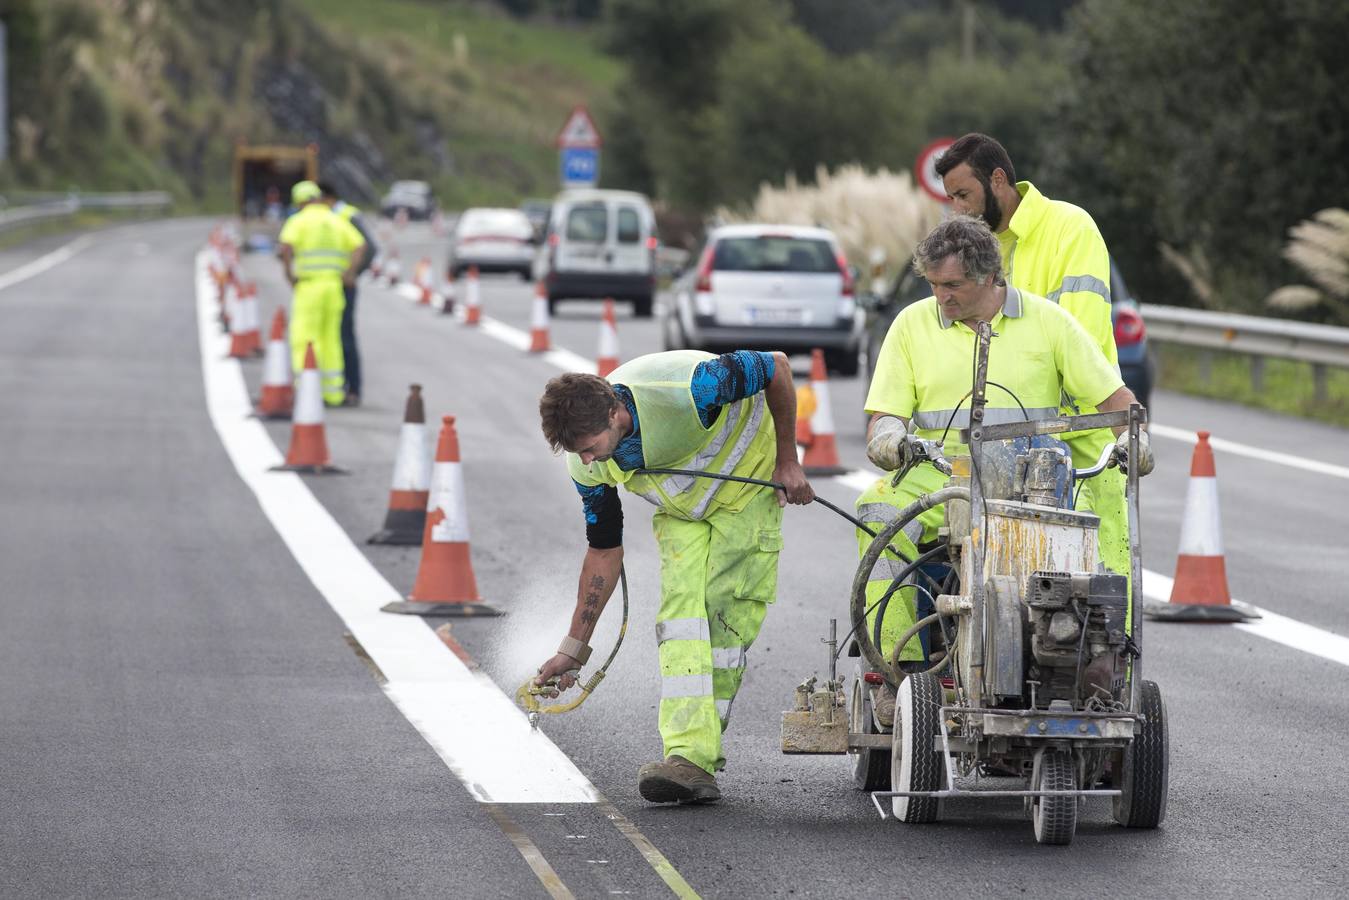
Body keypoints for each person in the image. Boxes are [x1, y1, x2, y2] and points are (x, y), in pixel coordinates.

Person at [858, 215, 1152, 666]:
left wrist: (1134, 441)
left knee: (1084, 540)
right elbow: (886, 414)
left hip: (1034, 479)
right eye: (933, 284)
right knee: (876, 508)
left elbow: (1115, 400)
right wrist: (888, 437)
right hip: (940, 476)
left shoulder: (1050, 323)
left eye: (952, 284)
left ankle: (1080, 658)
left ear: (991, 276)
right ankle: (897, 664)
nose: (941, 296)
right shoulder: (911, 325)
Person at [535, 350, 814, 804]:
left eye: (589, 446)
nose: (587, 461)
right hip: (683, 512)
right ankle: (686, 757)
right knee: (681, 621)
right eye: (577, 453)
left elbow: (778, 366)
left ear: (616, 413)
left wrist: (788, 459)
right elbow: (603, 550)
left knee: (721, 617)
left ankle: (697, 760)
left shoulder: (694, 388)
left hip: (746, 491)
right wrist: (574, 649)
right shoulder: (585, 461)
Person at [935, 132, 1131, 582]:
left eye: (964, 195)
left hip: (1081, 431)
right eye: (951, 199)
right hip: (1006, 436)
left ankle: (1113, 654)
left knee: (1101, 568)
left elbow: (1080, 334)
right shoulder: (977, 248)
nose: (957, 209)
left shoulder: (1070, 228)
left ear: (998, 179)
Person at [276, 180, 366, 406]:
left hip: (309, 287)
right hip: (334, 288)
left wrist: (289, 273)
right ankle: (333, 393)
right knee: (331, 339)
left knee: (305, 337)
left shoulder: (298, 221)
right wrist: (349, 273)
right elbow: (359, 246)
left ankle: (306, 390)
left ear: (300, 202)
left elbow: (285, 247)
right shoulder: (336, 220)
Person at [318, 181, 377, 407]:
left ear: (327, 198)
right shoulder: (327, 217)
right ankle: (333, 384)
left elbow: (369, 248)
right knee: (328, 336)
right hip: (327, 284)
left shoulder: (346, 215)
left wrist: (352, 274)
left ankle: (353, 388)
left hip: (344, 285)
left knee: (344, 336)